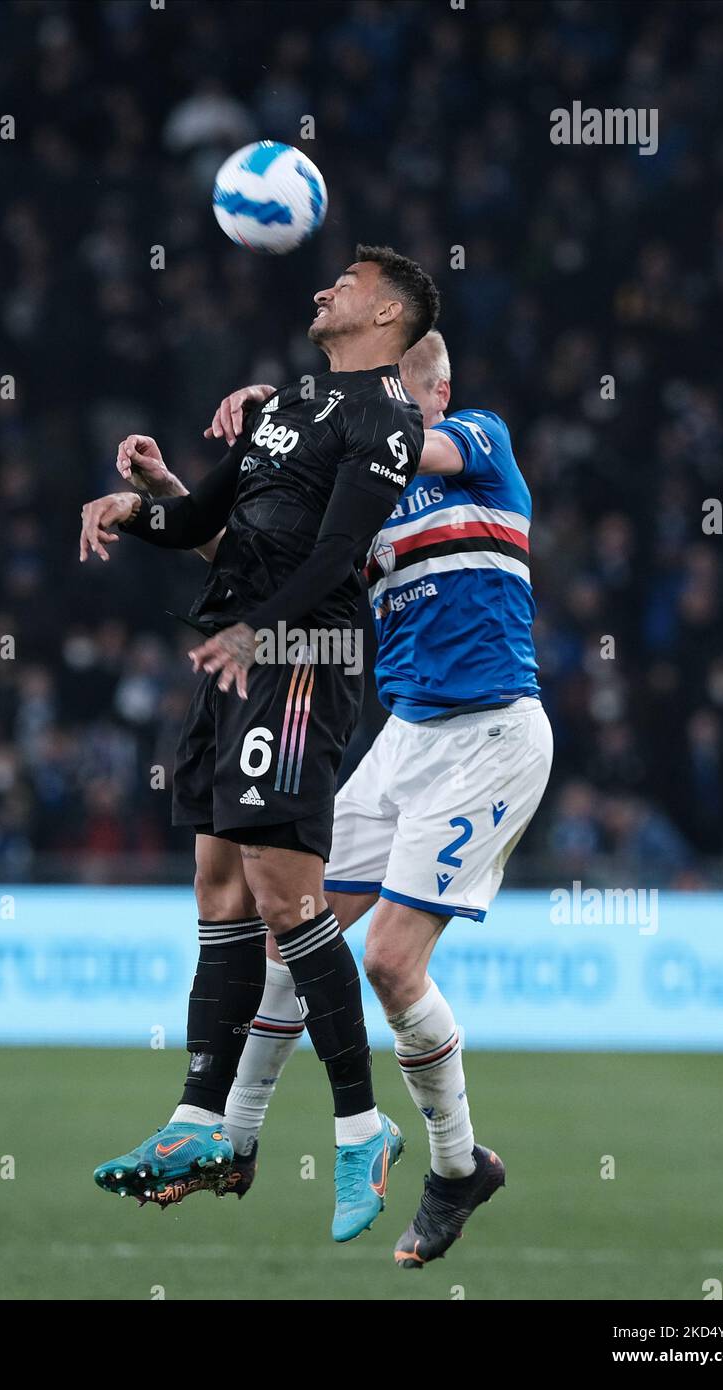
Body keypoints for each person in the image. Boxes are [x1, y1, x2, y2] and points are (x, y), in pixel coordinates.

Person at [128, 330, 552, 1267]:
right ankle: (230, 1141)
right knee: (295, 928)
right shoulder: (357, 503)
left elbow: (407, 442)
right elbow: (251, 561)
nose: (376, 410)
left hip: (490, 738)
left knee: (392, 966)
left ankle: (455, 1166)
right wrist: (176, 489)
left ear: (435, 390)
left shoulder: (479, 441)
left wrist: (290, 415)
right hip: (404, 742)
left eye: (394, 394)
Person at [79, 245, 438, 1242]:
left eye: (350, 284)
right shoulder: (289, 398)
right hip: (236, 645)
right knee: (217, 885)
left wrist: (259, 631)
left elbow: (333, 554)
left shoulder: (388, 419)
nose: (327, 288)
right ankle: (199, 1119)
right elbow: (204, 516)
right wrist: (142, 501)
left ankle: (364, 1128)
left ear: (389, 315)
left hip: (303, 655)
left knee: (287, 898)